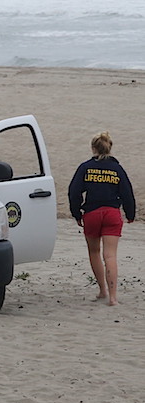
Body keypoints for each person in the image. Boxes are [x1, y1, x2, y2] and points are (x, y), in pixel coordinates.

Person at [68, 131, 136, 306]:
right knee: (110, 256)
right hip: (112, 213)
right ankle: (113, 298)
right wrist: (130, 214)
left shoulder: (85, 167)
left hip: (91, 213)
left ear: (93, 148)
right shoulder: (117, 169)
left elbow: (74, 192)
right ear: (110, 148)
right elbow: (127, 193)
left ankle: (102, 290)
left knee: (94, 252)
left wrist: (77, 213)